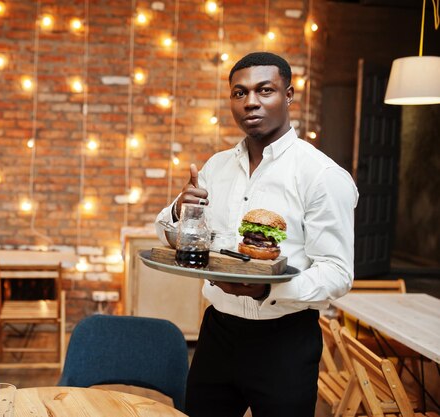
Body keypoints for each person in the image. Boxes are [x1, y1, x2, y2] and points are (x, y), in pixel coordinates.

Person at [155, 52, 358, 417]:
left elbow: (337, 273)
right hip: (218, 332)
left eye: (265, 90)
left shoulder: (321, 175)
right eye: (240, 92)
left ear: (289, 95)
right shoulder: (215, 167)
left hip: (286, 341)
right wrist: (179, 210)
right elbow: (167, 233)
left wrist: (268, 288)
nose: (251, 102)